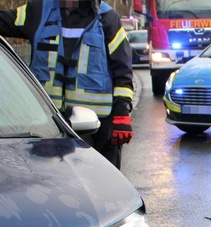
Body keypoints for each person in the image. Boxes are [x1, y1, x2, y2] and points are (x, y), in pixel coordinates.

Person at [0, 0, 134, 169]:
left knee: (101, 181)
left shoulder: (108, 19)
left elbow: (123, 70)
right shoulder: (39, 11)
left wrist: (122, 112)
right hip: (48, 130)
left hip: (97, 131)